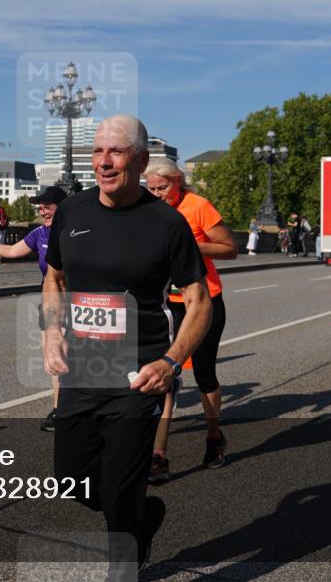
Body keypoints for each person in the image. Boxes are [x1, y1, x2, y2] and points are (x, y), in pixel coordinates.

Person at [42, 115, 211, 574]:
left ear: (138, 160)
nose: (104, 161)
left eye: (115, 152)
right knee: (72, 483)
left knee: (119, 486)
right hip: (83, 370)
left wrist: (171, 362)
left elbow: (199, 301)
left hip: (140, 374)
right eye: (98, 152)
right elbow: (54, 277)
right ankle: (143, 516)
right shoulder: (72, 212)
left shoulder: (166, 224)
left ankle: (125, 561)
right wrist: (52, 331)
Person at [143, 157, 236, 482]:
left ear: (178, 181)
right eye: (151, 188)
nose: (157, 194)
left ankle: (214, 438)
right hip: (168, 304)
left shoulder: (198, 206)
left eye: (163, 188)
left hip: (205, 301)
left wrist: (192, 247)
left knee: (204, 373)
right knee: (163, 376)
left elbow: (230, 249)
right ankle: (158, 455)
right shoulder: (147, 210)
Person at [0, 185, 68, 430]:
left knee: (78, 359)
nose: (43, 211)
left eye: (48, 206)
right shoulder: (40, 233)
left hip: (77, 302)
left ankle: (82, 408)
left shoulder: (75, 232)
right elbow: (11, 250)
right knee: (53, 358)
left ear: (62, 208)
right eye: (40, 207)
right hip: (50, 302)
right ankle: (59, 409)